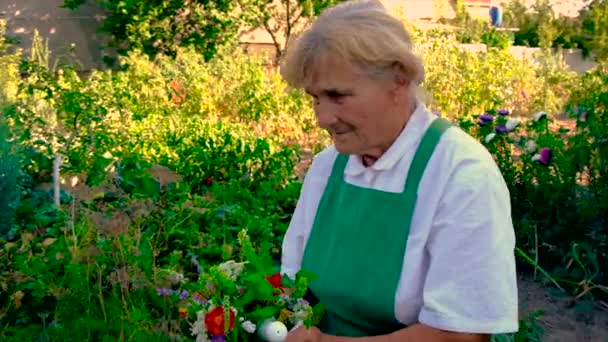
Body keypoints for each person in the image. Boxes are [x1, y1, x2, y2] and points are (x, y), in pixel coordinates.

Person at [278, 1, 519, 341]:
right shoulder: (327, 167)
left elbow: (460, 336)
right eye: (315, 98)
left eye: (338, 95)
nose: (322, 118)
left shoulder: (461, 174)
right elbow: (292, 287)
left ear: (398, 80)